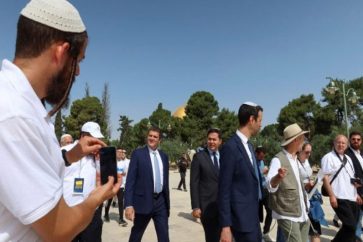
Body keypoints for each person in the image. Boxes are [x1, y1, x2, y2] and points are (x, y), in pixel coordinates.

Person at [0, 0, 121, 241]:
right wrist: (98, 197)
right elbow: (59, 229)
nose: (77, 72)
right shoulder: (14, 114)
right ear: (61, 52)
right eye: (80, 61)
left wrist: (71, 154)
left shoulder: (22, 103)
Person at [218, 102, 264, 242]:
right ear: (251, 119)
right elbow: (223, 190)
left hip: (253, 219)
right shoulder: (230, 148)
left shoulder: (249, 146)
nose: (261, 124)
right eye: (260, 120)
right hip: (240, 222)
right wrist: (225, 227)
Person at [125, 127, 170, 242]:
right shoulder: (138, 154)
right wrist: (129, 205)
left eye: (155, 137)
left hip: (160, 202)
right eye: (150, 135)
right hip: (143, 201)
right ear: (147, 137)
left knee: (164, 235)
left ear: (159, 140)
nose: (152, 138)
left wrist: (166, 201)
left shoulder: (164, 156)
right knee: (136, 234)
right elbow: (130, 180)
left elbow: (165, 181)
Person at [62, 121, 105, 242]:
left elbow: (104, 179)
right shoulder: (65, 151)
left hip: (91, 212)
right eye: (94, 139)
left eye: (98, 139)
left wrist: (100, 161)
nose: (97, 143)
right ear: (83, 136)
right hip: (67, 211)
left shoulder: (98, 156)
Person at [267, 123, 310, 242]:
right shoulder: (278, 159)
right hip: (287, 213)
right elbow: (270, 185)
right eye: (303, 138)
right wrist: (278, 177)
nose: (304, 141)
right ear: (296, 140)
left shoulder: (296, 159)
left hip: (301, 212)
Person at [321, 134, 360, 242]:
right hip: (339, 197)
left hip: (352, 198)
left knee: (351, 229)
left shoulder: (348, 158)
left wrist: (356, 193)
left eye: (343, 143)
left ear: (347, 145)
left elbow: (350, 178)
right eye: (338, 142)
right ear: (334, 143)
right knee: (350, 226)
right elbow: (325, 178)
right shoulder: (328, 157)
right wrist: (332, 195)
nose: (341, 145)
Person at [190, 128, 222, 242]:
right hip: (207, 207)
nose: (212, 142)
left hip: (223, 207)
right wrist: (196, 206)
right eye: (209, 139)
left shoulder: (225, 157)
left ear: (220, 141)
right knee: (212, 238)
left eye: (214, 139)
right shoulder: (199, 157)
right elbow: (194, 183)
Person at [297, 143, 327, 242]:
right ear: (299, 151)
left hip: (313, 199)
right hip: (302, 200)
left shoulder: (306, 161)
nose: (309, 154)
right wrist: (307, 185)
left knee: (315, 229)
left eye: (310, 152)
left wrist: (316, 176)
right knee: (304, 231)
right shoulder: (294, 162)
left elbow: (309, 176)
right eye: (306, 152)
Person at [104, 148, 130, 226]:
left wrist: (123, 182)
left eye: (121, 152)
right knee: (109, 200)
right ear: (115, 153)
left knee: (121, 202)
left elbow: (124, 173)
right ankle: (106, 215)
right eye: (118, 152)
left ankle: (121, 219)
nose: (120, 153)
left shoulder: (124, 163)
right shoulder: (110, 162)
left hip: (120, 186)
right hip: (112, 185)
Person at [345, 131, 363, 241]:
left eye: (358, 139)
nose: (356, 141)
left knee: (359, 217)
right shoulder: (347, 155)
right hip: (355, 193)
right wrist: (356, 194)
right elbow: (348, 177)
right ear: (350, 140)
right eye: (353, 139)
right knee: (355, 218)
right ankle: (354, 238)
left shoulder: (361, 154)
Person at [256, 146, 273, 242]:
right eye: (260, 157)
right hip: (256, 191)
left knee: (270, 212)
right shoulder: (253, 161)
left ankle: (265, 232)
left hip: (265, 190)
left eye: (263, 157)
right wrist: (262, 173)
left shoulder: (261, 161)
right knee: (257, 215)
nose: (262, 159)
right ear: (256, 154)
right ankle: (257, 235)